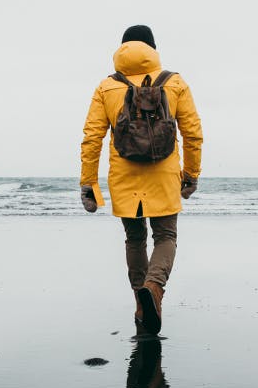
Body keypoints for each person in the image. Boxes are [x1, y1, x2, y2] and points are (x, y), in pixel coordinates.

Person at [80, 25, 204, 334]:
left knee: (134, 239)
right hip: (163, 173)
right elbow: (192, 133)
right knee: (165, 237)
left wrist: (89, 185)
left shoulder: (107, 87)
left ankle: (140, 300)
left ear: (122, 49)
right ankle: (155, 287)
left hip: (124, 176)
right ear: (153, 49)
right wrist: (191, 173)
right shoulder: (174, 82)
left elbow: (92, 138)